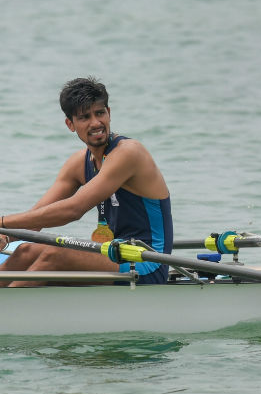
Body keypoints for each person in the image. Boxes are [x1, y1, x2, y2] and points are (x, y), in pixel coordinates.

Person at [0, 77, 173, 286]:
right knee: (26, 250)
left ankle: (12, 315)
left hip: (147, 263)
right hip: (114, 255)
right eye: (84, 117)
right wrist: (7, 236)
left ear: (109, 113)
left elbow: (73, 210)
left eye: (100, 113)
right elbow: (36, 221)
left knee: (56, 255)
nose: (96, 123)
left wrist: (2, 223)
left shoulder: (129, 152)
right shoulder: (78, 164)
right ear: (70, 124)